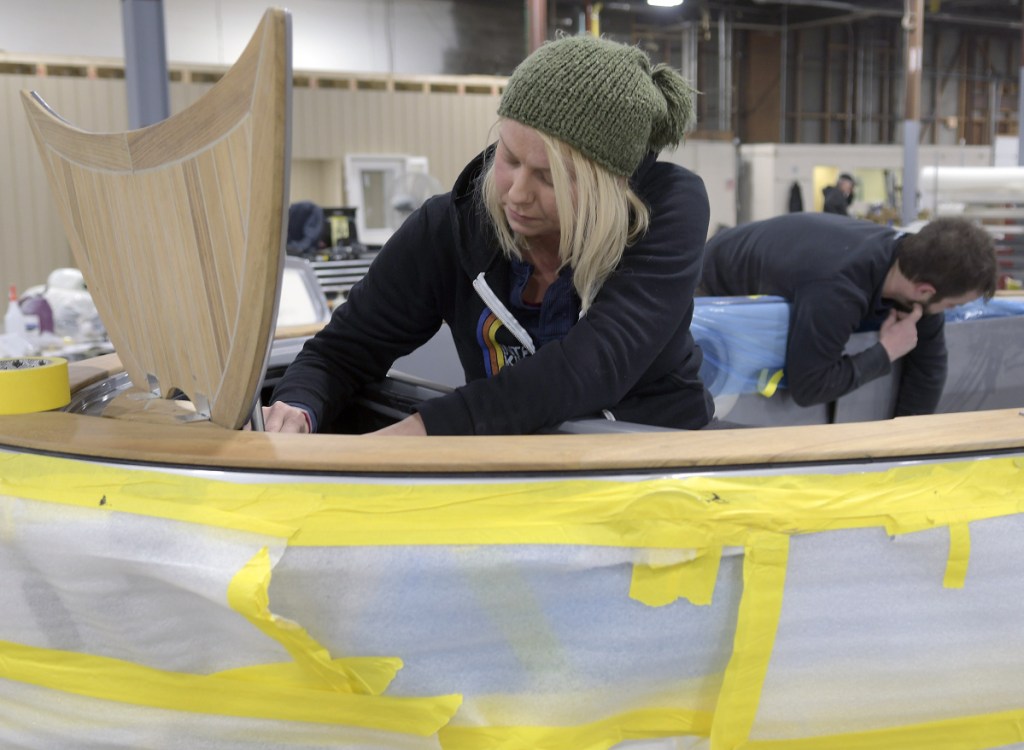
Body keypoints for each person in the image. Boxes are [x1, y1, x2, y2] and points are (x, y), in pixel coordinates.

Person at [263, 34, 714, 436]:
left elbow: (593, 367)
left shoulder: (667, 210)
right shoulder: (448, 228)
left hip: (658, 458)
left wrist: (427, 429)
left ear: (610, 185)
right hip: (512, 467)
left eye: (549, 178)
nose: (516, 193)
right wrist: (298, 405)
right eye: (510, 158)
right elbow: (344, 350)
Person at [699, 213, 997, 416]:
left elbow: (929, 369)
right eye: (953, 306)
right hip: (709, 287)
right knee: (712, 394)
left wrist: (903, 448)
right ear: (924, 290)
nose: (950, 312)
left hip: (784, 262)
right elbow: (810, 386)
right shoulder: (837, 289)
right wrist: (885, 352)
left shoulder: (914, 266)